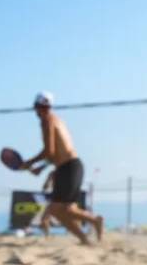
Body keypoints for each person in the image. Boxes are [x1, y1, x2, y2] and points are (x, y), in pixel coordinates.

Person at [20, 92, 104, 245]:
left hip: (68, 168)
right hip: (72, 166)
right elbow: (56, 153)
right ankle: (91, 228)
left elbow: (49, 151)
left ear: (38, 107)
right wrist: (41, 167)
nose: (36, 112)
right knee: (68, 210)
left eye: (36, 108)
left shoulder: (46, 121)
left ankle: (88, 232)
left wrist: (29, 162)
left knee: (57, 210)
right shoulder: (57, 119)